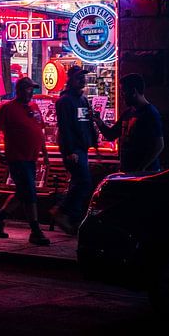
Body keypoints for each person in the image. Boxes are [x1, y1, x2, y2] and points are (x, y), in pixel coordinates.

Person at [0, 77, 51, 246]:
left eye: (32, 89)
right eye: (29, 89)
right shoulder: (8, 108)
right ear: (20, 90)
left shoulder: (34, 107)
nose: (31, 92)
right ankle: (35, 231)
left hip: (31, 158)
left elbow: (39, 130)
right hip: (17, 157)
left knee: (23, 192)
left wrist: (44, 153)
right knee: (29, 192)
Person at [51, 65, 98, 235]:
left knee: (80, 183)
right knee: (84, 182)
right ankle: (62, 212)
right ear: (70, 80)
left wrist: (94, 142)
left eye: (83, 77)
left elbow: (87, 121)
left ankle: (72, 218)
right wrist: (70, 150)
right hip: (73, 149)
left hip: (83, 148)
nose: (83, 80)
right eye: (79, 77)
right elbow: (65, 127)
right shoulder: (64, 101)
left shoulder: (83, 99)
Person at [93, 73, 164, 173]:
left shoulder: (150, 113)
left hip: (145, 175)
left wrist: (141, 168)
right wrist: (99, 122)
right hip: (128, 171)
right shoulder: (128, 113)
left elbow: (158, 145)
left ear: (134, 91)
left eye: (123, 92)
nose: (121, 96)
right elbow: (111, 135)